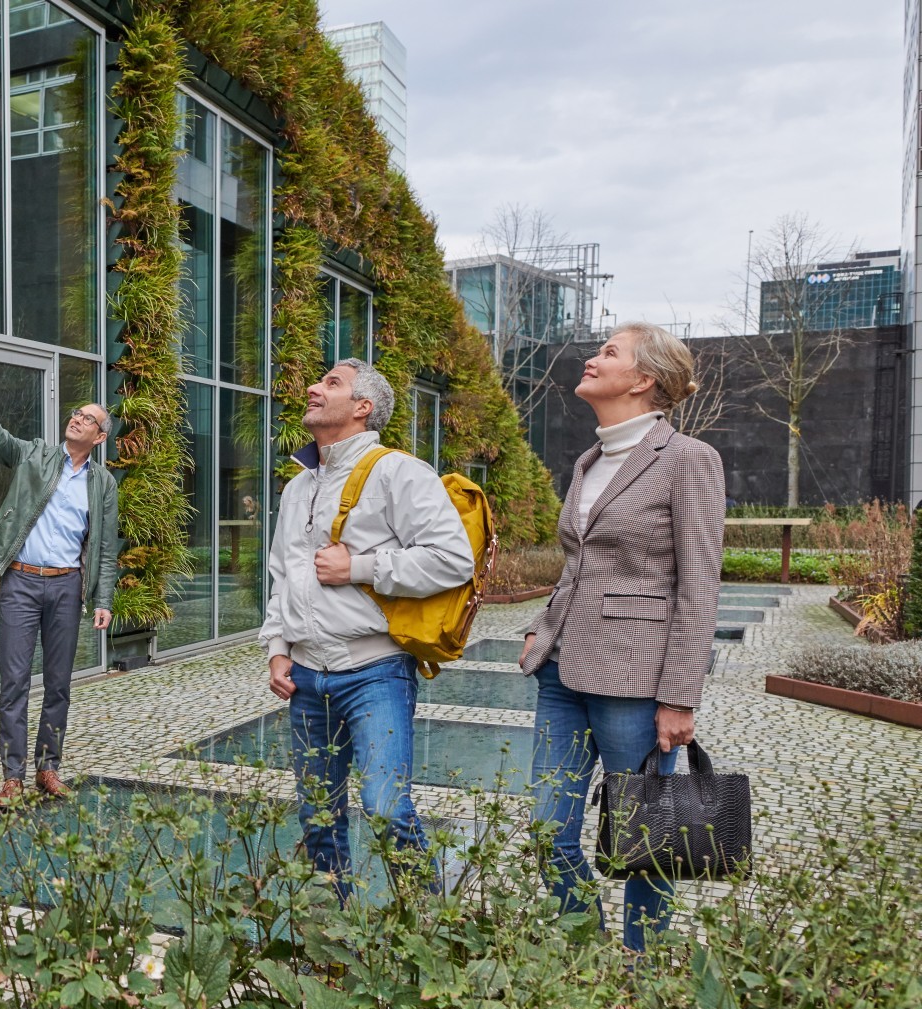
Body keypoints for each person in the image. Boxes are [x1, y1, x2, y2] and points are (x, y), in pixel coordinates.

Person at [519, 323, 723, 951]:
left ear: (644, 380)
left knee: (645, 837)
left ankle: (639, 968)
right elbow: (579, 565)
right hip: (561, 671)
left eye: (610, 352)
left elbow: (700, 584)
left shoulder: (689, 459)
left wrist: (680, 695)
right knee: (546, 830)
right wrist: (542, 625)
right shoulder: (588, 460)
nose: (593, 357)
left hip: (634, 679)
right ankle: (587, 941)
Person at [260, 359, 475, 900]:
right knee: (318, 816)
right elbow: (282, 572)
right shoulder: (297, 487)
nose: (314, 387)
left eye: (331, 382)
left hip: (375, 671)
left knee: (385, 806)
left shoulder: (399, 471)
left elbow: (453, 559)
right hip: (306, 677)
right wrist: (278, 648)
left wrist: (358, 567)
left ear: (363, 408)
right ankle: (334, 932)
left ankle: (425, 925)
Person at [0, 351, 119, 804]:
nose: (77, 420)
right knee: (14, 682)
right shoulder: (35, 455)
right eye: (75, 413)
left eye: (87, 419)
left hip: (67, 587)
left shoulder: (103, 484)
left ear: (100, 436)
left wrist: (102, 598)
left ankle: (48, 768)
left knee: (59, 683)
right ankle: (12, 775)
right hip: (22, 583)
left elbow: (106, 548)